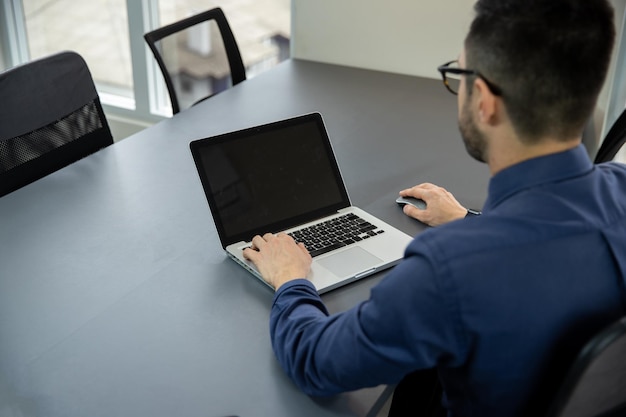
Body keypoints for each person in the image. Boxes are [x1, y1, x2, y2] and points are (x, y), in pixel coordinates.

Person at [243, 0, 626, 415]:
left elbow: (315, 362)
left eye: (458, 76)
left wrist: (290, 279)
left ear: (483, 100)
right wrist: (469, 219)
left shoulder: (451, 269)